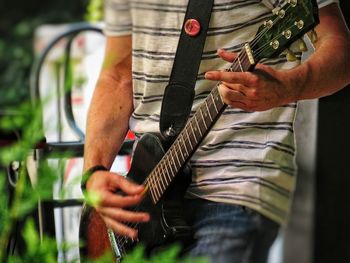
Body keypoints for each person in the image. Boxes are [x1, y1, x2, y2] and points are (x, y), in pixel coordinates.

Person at [83, 0, 350, 262]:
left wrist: (289, 87)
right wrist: (93, 172)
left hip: (236, 182)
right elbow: (117, 75)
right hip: (148, 192)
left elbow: (340, 49)